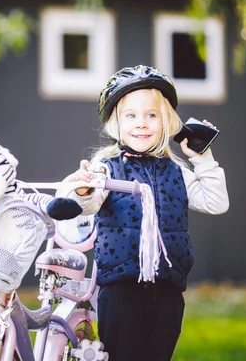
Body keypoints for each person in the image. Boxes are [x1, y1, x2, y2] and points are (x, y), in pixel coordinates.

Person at [57, 65, 229, 360]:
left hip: (167, 289)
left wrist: (203, 159)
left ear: (167, 122)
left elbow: (216, 201)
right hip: (120, 288)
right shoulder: (106, 168)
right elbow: (89, 203)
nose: (142, 123)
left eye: (152, 115)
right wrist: (85, 191)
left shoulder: (177, 172)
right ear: (116, 123)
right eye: (131, 115)